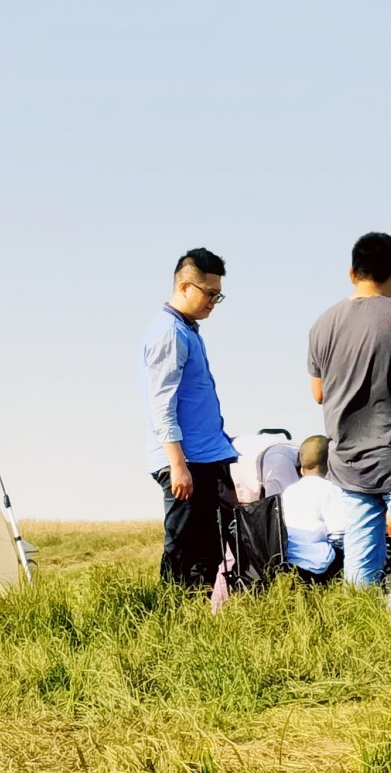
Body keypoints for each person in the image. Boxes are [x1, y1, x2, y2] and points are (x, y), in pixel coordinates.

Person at [306, 230, 391, 603]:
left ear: (352, 273)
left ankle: (363, 625)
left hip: (348, 461)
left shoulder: (323, 324)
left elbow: (318, 393)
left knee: (360, 556)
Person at [141, 247, 237, 589]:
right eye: (209, 293)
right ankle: (172, 613)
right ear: (184, 287)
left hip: (202, 457)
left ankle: (197, 613)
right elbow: (161, 403)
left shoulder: (187, 329)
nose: (213, 302)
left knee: (207, 552)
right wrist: (177, 465)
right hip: (185, 460)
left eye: (217, 295)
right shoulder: (169, 332)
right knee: (183, 553)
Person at [278, 435, 346, 583]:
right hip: (319, 564)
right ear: (331, 463)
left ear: (301, 468)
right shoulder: (331, 490)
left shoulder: (289, 491)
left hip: (288, 562)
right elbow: (338, 535)